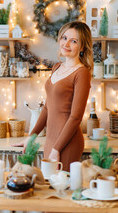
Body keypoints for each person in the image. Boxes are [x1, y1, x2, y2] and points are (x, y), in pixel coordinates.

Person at [12, 21, 93, 172]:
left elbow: (76, 117)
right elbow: (48, 107)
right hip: (51, 140)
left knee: (62, 190)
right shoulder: (57, 67)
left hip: (67, 143)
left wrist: (57, 149)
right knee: (50, 187)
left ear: (82, 47)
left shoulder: (82, 73)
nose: (66, 44)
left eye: (74, 41)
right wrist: (32, 136)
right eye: (64, 38)